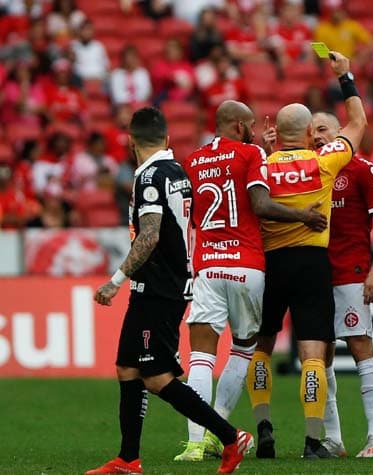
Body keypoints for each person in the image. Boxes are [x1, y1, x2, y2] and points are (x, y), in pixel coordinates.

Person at [86, 107, 252, 475]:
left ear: (131, 141)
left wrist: (114, 282)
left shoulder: (149, 177)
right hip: (164, 285)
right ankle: (128, 459)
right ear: (165, 138)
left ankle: (230, 437)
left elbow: (150, 235)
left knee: (158, 377)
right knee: (127, 368)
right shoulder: (176, 171)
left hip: (159, 289)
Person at [173, 100, 328, 462]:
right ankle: (218, 429)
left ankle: (196, 443)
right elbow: (260, 204)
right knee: (244, 348)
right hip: (247, 265)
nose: (256, 132)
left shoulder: (193, 160)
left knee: (200, 356)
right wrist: (301, 217)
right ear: (241, 126)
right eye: (253, 126)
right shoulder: (250, 153)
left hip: (208, 265)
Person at [244, 50, 368, 459]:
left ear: (276, 132)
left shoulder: (260, 165)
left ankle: (263, 427)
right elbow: (358, 123)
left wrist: (260, 148)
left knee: (261, 346)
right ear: (306, 131)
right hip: (313, 262)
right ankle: (313, 441)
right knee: (313, 351)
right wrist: (345, 76)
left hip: (271, 262)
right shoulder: (323, 161)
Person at [310, 111, 373, 458]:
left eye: (323, 129)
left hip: (351, 271)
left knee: (360, 344)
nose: (316, 136)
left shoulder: (361, 169)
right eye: (310, 132)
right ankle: (334, 439)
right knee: (320, 354)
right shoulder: (308, 170)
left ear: (341, 132)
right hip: (315, 275)